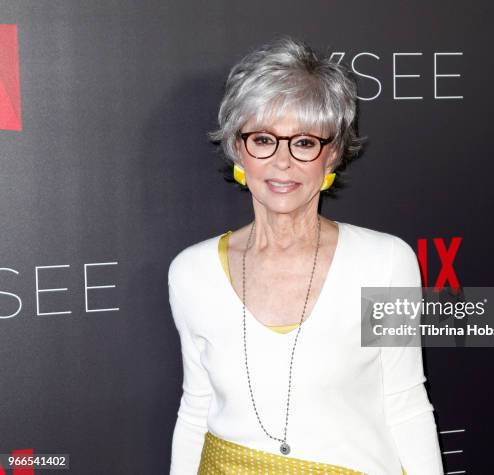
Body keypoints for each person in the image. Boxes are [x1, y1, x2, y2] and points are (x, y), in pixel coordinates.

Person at [168, 36, 444, 475]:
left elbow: (405, 403)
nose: (282, 162)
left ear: (331, 154)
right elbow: (195, 407)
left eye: (304, 142)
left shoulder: (385, 262)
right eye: (263, 139)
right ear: (239, 149)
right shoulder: (192, 272)